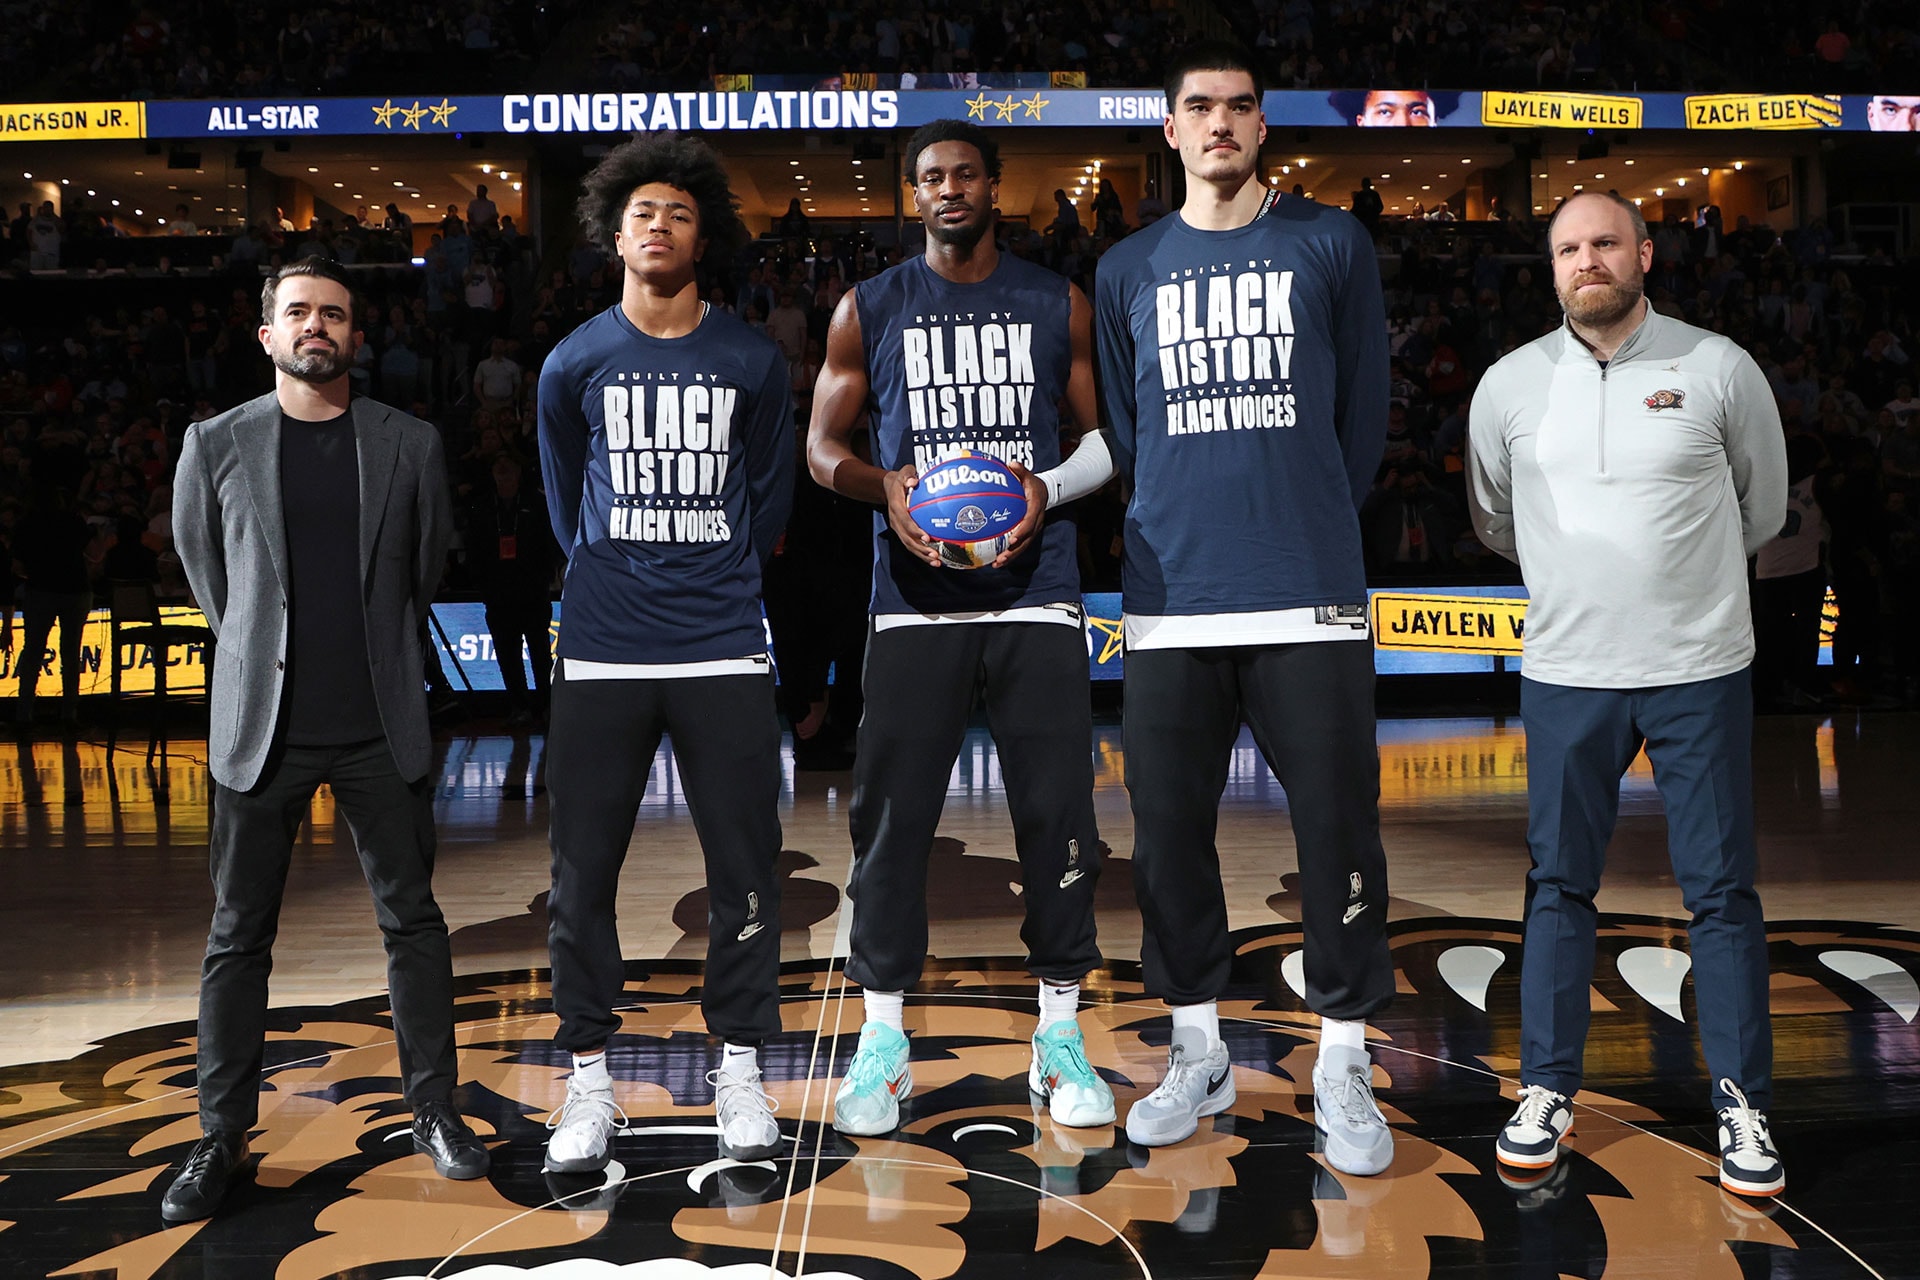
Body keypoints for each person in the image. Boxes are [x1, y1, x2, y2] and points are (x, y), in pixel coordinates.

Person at [1093, 41, 1396, 1175]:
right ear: (1169, 130)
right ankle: (1199, 1048)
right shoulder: (1125, 268)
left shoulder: (1330, 241)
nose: (1220, 122)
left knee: (1339, 835)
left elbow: (1360, 416)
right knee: (1169, 840)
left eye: (1240, 107)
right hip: (1172, 600)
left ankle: (1345, 1059)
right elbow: (1129, 432)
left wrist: (1308, 517)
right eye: (1198, 107)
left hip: (1306, 589)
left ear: (1263, 126)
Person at [1466, 190, 1789, 1196]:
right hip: (1569, 671)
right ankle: (1548, 1087)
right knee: (1559, 885)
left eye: (1605, 241)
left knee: (1721, 890)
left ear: (1644, 252)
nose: (1587, 259)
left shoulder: (1720, 366)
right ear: (1551, 266)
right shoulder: (1508, 385)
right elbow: (1494, 520)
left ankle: (1743, 1099)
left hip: (1699, 667)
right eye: (1569, 247)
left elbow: (1763, 507)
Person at [807, 118, 1114, 1137]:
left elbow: (1107, 440)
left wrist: (1046, 487)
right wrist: (880, 485)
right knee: (888, 825)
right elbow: (820, 446)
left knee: (1058, 813)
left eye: (965, 175)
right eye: (931, 177)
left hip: (1036, 590)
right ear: (914, 193)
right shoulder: (870, 307)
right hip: (912, 600)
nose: (949, 190)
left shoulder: (1052, 301)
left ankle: (1059, 1032)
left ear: (995, 187)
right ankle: (884, 1037)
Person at [165, 256, 486, 1225]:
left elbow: (422, 570)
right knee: (235, 937)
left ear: (355, 334)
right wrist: (261, 648)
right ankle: (220, 1133)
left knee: (413, 924)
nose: (317, 326)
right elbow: (209, 576)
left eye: (333, 314)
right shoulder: (214, 442)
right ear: (267, 333)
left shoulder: (411, 442)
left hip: (380, 726)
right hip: (261, 731)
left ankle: (435, 1108)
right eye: (298, 312)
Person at [536, 134, 795, 1174]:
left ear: (705, 237)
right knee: (580, 874)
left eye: (680, 213)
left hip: (723, 642)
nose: (659, 225)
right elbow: (565, 505)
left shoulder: (750, 358)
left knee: (743, 869)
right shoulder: (573, 360)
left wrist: (714, 571)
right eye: (643, 211)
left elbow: (770, 498)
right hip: (603, 645)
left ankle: (739, 1066)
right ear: (613, 229)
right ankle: (588, 1079)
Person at [467, 452, 553, 727]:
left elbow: (548, 545)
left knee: (540, 652)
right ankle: (518, 706)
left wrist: (544, 578)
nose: (502, 470)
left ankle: (547, 706)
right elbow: (474, 549)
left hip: (532, 592)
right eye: (497, 466)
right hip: (498, 594)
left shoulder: (537, 503)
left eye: (508, 465)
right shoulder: (481, 506)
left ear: (518, 472)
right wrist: (483, 585)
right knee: (507, 655)